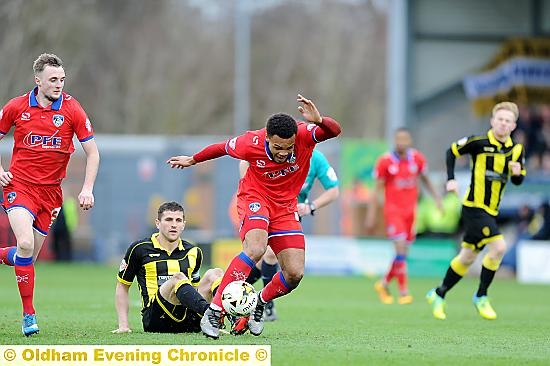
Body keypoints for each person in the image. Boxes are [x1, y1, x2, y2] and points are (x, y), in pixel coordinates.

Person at [167, 94, 341, 338]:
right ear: (268, 138)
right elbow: (221, 147)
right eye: (277, 147)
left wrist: (320, 119)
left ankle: (259, 303)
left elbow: (334, 131)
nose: (283, 153)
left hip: (285, 207)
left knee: (294, 273)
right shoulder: (251, 142)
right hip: (255, 199)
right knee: (256, 248)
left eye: (288, 148)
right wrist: (193, 159)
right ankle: (214, 311)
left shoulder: (304, 135)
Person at [0, 53, 100, 336]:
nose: (59, 85)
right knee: (25, 243)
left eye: (62, 79)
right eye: (53, 80)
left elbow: (93, 153)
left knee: (26, 258)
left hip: (51, 194)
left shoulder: (72, 109)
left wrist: (87, 188)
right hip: (19, 187)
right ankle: (28, 315)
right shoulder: (17, 107)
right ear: (38, 81)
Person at [427, 101, 525, 320]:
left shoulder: (516, 150)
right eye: (500, 119)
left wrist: (518, 173)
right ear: (492, 121)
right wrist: (450, 180)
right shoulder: (478, 142)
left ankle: (438, 293)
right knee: (499, 247)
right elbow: (451, 151)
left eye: (508, 121)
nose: (503, 123)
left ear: (513, 125)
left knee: (467, 257)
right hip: (473, 207)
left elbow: (518, 180)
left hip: (491, 210)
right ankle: (481, 295)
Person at [241, 149, 340, 321]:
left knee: (269, 259)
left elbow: (333, 190)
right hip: (264, 208)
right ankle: (263, 304)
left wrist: (311, 206)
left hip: (288, 215)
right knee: (262, 254)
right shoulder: (279, 150)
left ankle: (239, 293)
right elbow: (244, 161)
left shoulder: (316, 158)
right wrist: (248, 189)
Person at [113, 201, 223, 334]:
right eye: (169, 219)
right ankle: (211, 314)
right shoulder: (140, 249)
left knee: (215, 273)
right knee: (178, 278)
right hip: (157, 319)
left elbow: (194, 289)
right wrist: (123, 326)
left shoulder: (194, 251)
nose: (174, 225)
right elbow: (122, 286)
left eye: (178, 220)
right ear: (157, 223)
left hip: (188, 320)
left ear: (183, 224)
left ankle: (234, 318)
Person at [366, 127, 442, 304]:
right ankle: (403, 291)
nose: (401, 142)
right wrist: (371, 215)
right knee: (400, 249)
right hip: (393, 212)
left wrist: (437, 198)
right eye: (398, 139)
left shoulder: (417, 159)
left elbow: (426, 180)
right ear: (394, 140)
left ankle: (384, 283)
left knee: (403, 254)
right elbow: (376, 189)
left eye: (404, 139)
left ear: (410, 141)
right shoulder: (385, 161)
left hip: (410, 213)